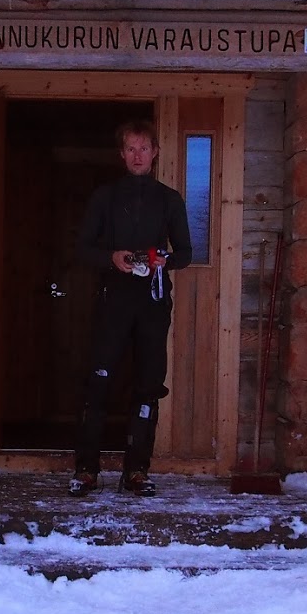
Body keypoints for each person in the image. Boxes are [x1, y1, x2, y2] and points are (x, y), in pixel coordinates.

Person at [69, 119, 193, 497]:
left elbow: (185, 253)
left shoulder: (170, 199)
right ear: (122, 154)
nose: (138, 155)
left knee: (148, 384)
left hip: (153, 303)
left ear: (155, 153)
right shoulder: (105, 197)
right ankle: (86, 470)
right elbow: (82, 248)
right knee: (99, 382)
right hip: (114, 301)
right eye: (131, 149)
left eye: (144, 148)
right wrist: (112, 257)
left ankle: (137, 470)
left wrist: (163, 261)